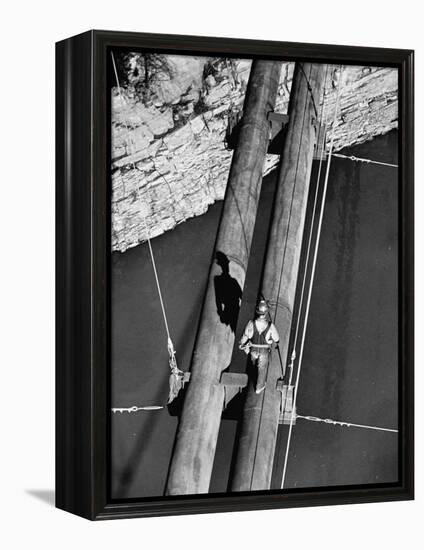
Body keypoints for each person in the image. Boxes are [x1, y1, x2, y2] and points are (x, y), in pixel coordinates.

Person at [239, 300, 280, 394]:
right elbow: (276, 338)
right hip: (264, 351)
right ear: (266, 313)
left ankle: (253, 377)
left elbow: (246, 335)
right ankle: (259, 387)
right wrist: (277, 342)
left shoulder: (251, 323)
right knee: (262, 369)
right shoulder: (270, 325)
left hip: (253, 349)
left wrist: (241, 343)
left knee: (253, 365)